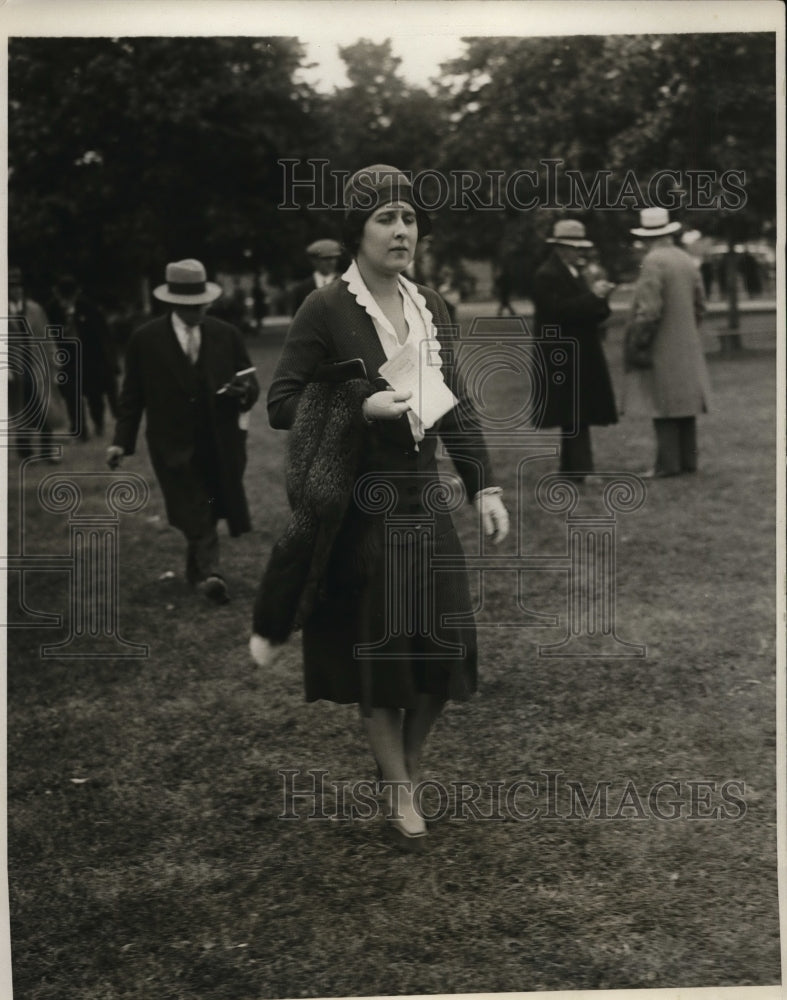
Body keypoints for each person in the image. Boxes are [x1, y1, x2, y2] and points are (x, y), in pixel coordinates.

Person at [250, 164, 509, 851]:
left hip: (425, 501)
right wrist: (355, 404)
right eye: (385, 219)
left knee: (447, 648)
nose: (401, 231)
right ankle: (398, 787)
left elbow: (451, 403)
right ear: (357, 231)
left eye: (409, 219)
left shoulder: (431, 306)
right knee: (382, 656)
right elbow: (280, 404)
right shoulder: (327, 309)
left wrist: (484, 484)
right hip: (362, 511)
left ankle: (409, 765)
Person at [106, 259, 259, 604]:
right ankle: (211, 574)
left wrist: (243, 392)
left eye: (202, 302)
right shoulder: (145, 340)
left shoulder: (226, 334)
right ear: (173, 303)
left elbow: (251, 383)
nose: (198, 310)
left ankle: (197, 571)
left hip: (220, 440)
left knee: (208, 504)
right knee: (193, 503)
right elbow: (131, 397)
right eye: (190, 306)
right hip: (170, 442)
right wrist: (120, 443)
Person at [622, 208, 711, 478]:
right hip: (686, 342)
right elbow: (700, 305)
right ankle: (687, 461)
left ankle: (667, 464)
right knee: (685, 404)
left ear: (647, 237)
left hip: (661, 342)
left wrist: (639, 340)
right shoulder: (686, 259)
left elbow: (649, 310)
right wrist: (687, 331)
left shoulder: (653, 262)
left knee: (663, 403)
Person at [531, 219, 618, 479]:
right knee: (574, 412)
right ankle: (580, 469)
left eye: (581, 247)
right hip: (561, 353)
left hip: (577, 352)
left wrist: (600, 299)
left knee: (577, 412)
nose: (580, 252)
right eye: (574, 247)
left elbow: (590, 312)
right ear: (560, 248)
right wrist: (594, 297)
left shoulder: (574, 272)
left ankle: (574, 469)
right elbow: (560, 312)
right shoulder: (547, 275)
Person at [47, 274, 118, 440]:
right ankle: (79, 430)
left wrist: (108, 361)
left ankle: (98, 423)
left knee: (94, 395)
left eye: (70, 297)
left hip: (90, 359)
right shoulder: (52, 309)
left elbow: (101, 335)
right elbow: (47, 332)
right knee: (72, 396)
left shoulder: (88, 308)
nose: (66, 301)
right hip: (66, 360)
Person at [6, 267, 66, 460]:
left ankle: (47, 451)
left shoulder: (34, 309)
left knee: (43, 409)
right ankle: (25, 451)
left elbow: (46, 336)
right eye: (11, 287)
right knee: (20, 410)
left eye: (18, 287)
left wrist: (54, 360)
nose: (16, 291)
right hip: (14, 368)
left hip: (36, 366)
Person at [289, 239, 342, 314]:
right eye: (326, 259)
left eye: (334, 258)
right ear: (314, 260)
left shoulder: (345, 284)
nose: (331, 262)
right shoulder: (302, 289)